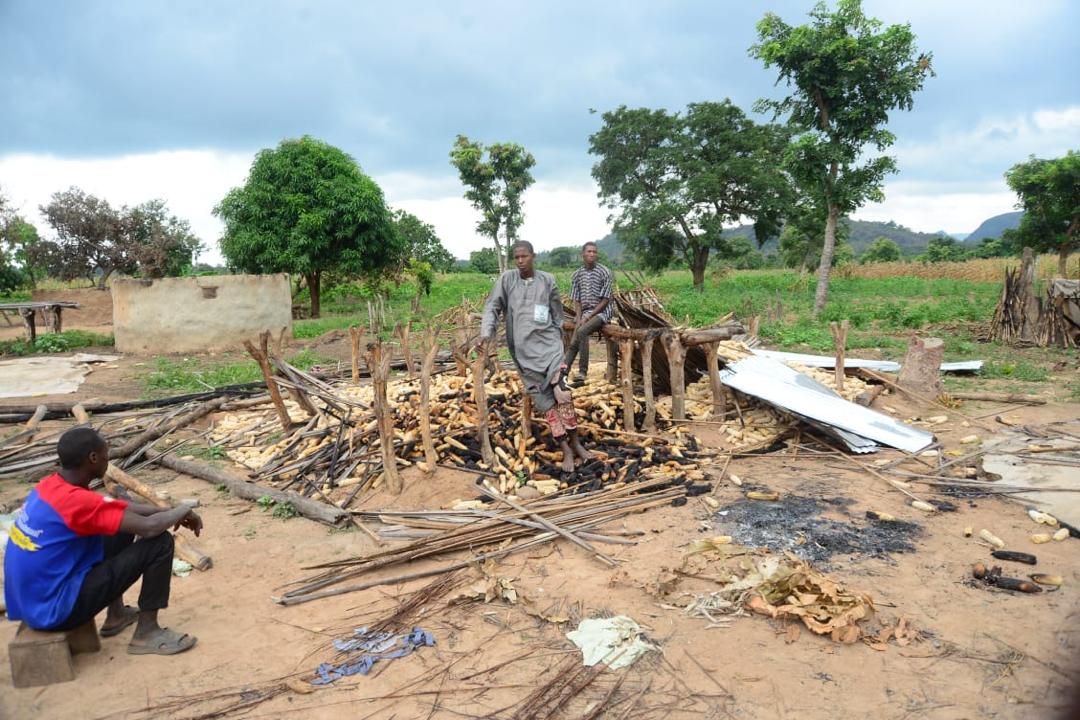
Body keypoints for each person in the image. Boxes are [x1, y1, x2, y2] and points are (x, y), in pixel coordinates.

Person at [4, 427, 201, 655]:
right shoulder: (76, 501)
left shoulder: (51, 486)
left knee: (120, 528)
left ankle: (115, 616)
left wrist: (169, 509)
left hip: (34, 600)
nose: (109, 458)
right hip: (55, 610)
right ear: (93, 458)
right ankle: (147, 633)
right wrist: (184, 509)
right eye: (106, 453)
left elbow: (115, 507)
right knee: (160, 542)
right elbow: (150, 528)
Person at [480, 241, 591, 473]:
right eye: (516, 257)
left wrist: (558, 336)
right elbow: (492, 307)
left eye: (524, 257)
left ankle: (577, 443)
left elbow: (557, 313)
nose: (520, 261)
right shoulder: (507, 280)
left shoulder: (547, 280)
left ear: (533, 256)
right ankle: (566, 449)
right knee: (547, 406)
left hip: (549, 348)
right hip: (523, 354)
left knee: (563, 393)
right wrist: (486, 333)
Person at [563, 241, 614, 385]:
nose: (592, 254)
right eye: (589, 251)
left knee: (582, 332)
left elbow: (605, 300)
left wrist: (588, 318)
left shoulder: (605, 272)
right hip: (584, 312)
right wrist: (579, 318)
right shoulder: (577, 275)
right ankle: (564, 371)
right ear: (583, 254)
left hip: (602, 312)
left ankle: (582, 372)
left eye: (594, 252)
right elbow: (577, 300)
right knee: (574, 341)